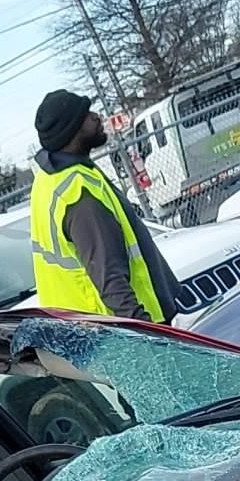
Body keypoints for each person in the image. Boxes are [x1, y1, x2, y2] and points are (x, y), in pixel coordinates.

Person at [28, 90, 184, 323]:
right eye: (87, 115)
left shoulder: (48, 180)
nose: (96, 117)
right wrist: (153, 336)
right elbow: (111, 281)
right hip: (123, 338)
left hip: (89, 336)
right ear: (72, 130)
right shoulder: (79, 194)